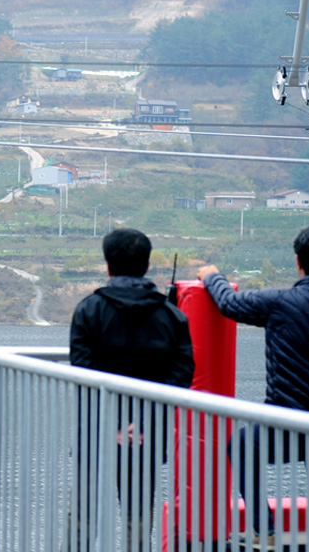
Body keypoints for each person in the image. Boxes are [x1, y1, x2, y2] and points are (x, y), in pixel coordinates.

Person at [197, 224, 309, 551]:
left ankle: (264, 527)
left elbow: (228, 303)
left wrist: (212, 276)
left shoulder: (278, 303)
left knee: (240, 445)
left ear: (298, 261)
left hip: (285, 430)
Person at [69, 227, 195, 552]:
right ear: (147, 264)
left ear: (108, 265)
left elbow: (83, 372)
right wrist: (143, 422)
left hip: (95, 432)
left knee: (83, 515)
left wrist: (111, 425)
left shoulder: (89, 310)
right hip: (146, 435)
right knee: (138, 518)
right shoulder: (172, 316)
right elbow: (181, 376)